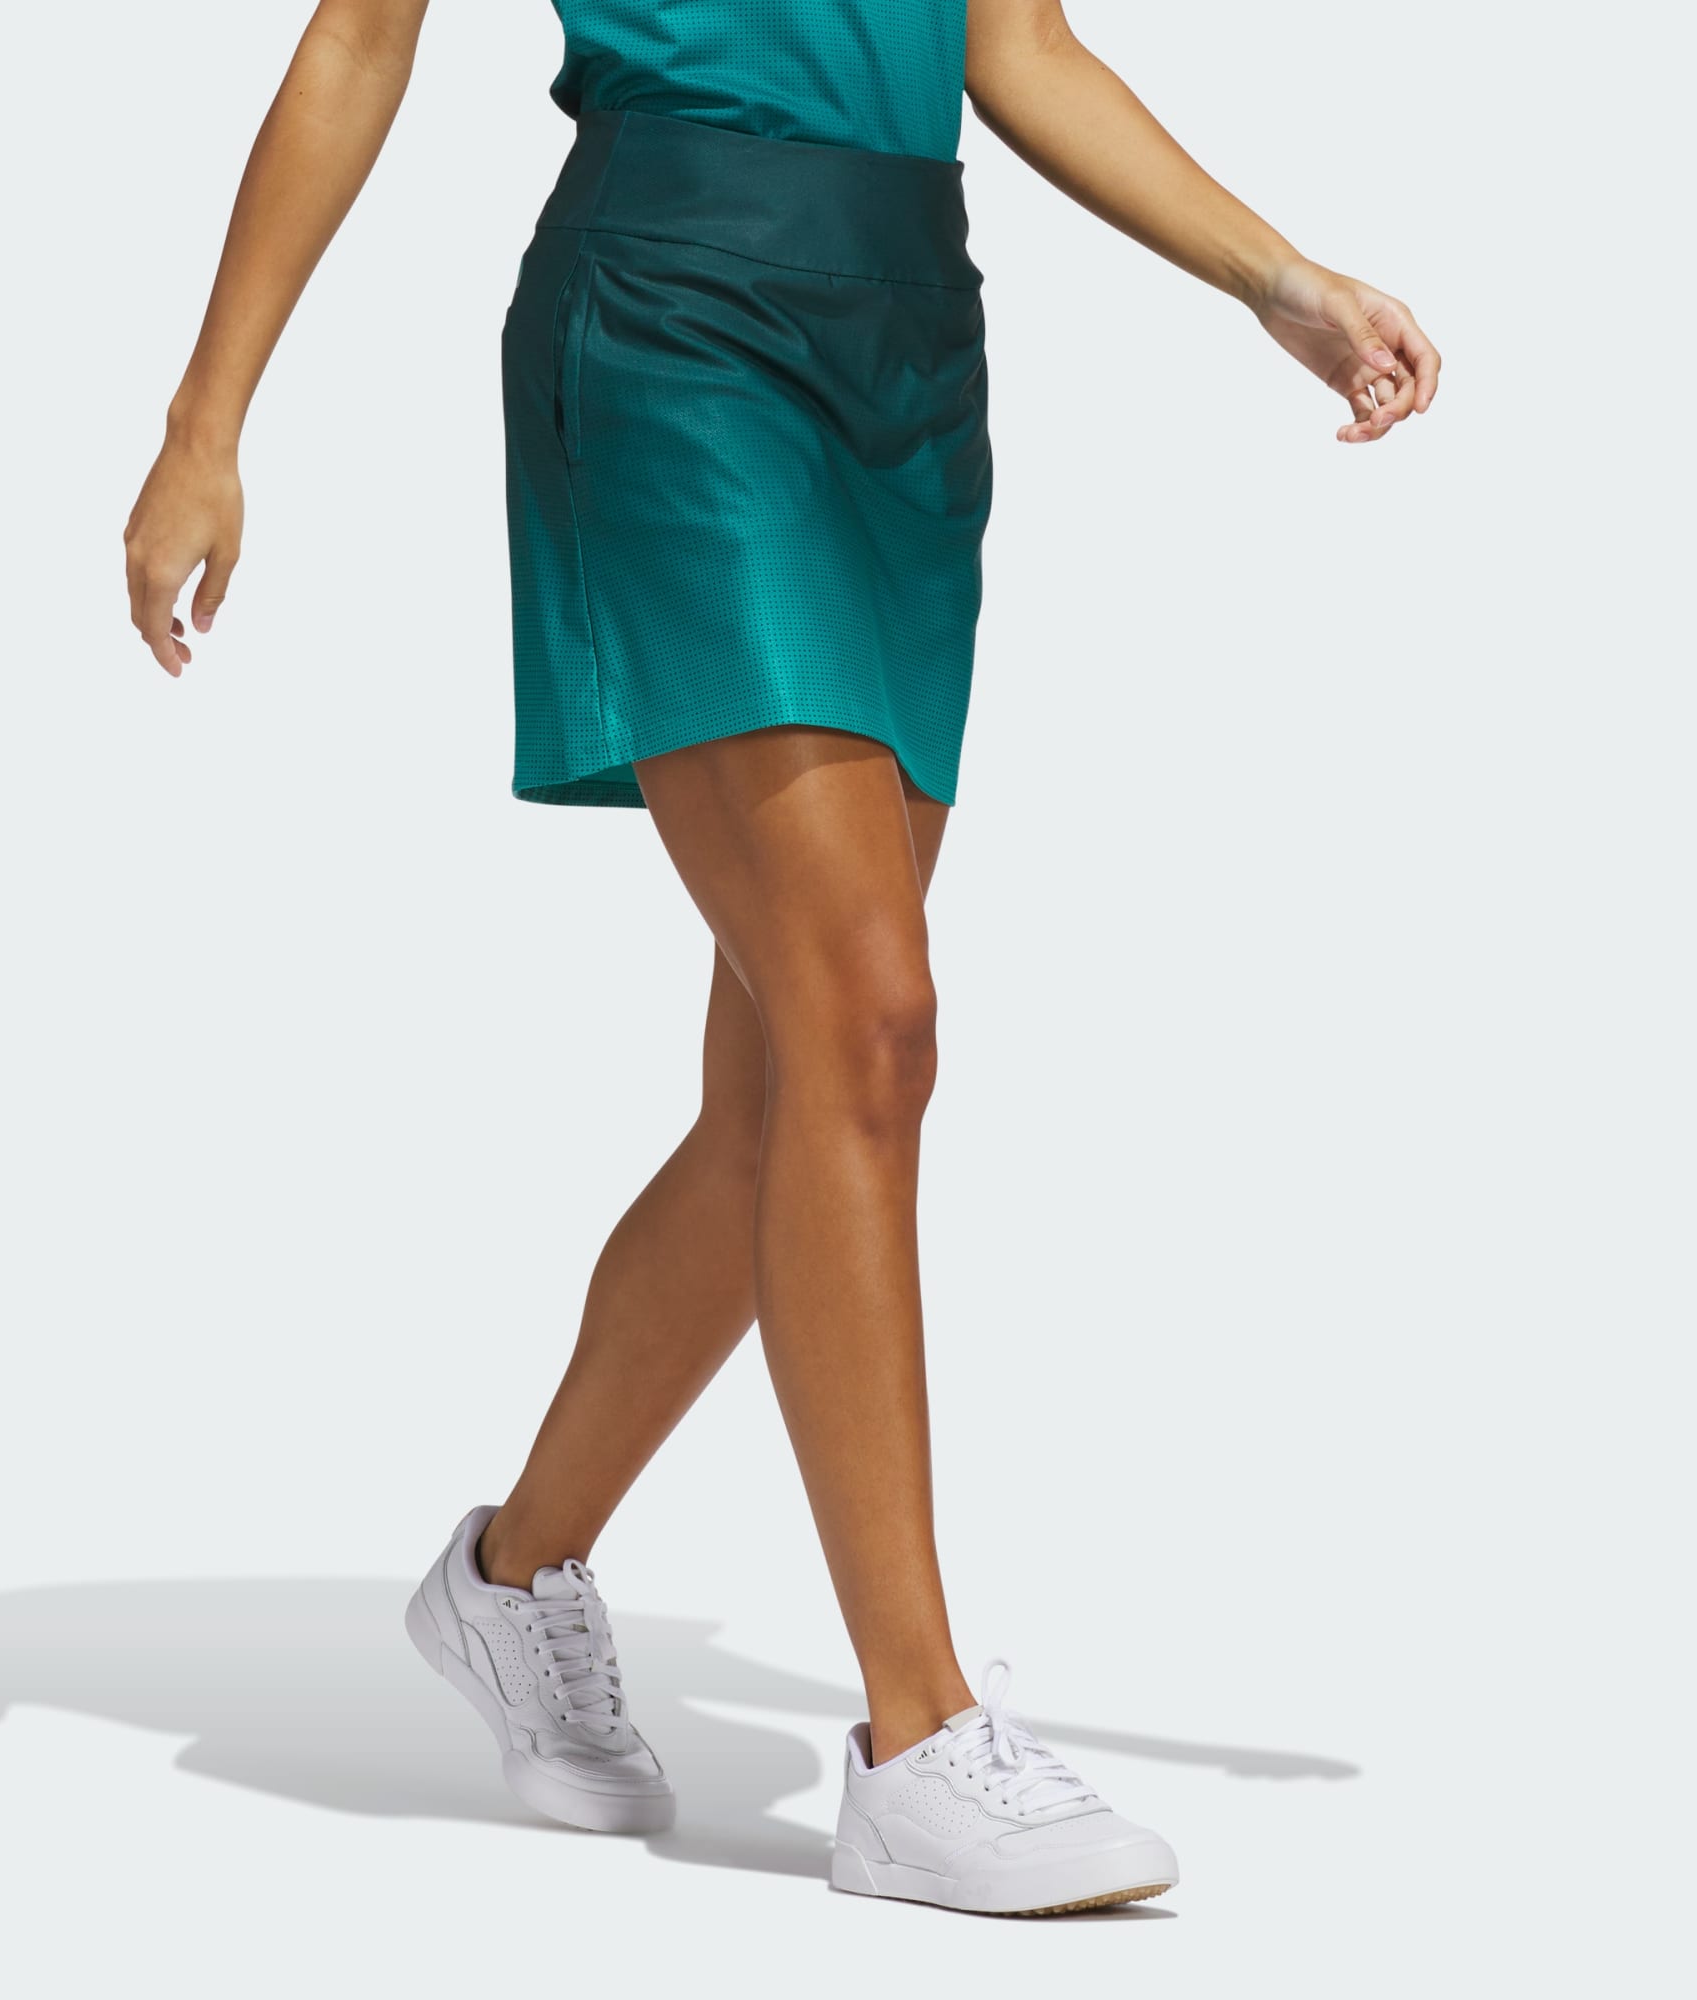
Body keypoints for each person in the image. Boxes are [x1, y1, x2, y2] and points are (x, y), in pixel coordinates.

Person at [123, 0, 1439, 1917]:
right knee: (871, 1025)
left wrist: (1278, 280)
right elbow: (355, 44)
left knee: (786, 1106)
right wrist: (206, 422)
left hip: (908, 340)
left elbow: (1018, 45)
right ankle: (918, 1742)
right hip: (676, 321)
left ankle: (508, 1580)